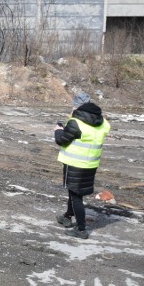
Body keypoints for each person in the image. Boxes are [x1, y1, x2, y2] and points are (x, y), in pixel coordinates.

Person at [54, 92, 110, 239]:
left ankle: (81, 229)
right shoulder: (103, 123)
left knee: (75, 196)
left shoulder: (75, 122)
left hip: (75, 164)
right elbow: (86, 131)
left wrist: (58, 130)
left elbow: (62, 140)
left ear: (77, 106)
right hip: (91, 164)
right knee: (75, 193)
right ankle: (67, 216)